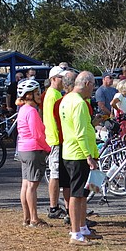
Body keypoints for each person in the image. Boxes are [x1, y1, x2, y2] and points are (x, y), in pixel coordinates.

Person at [58, 71, 100, 245]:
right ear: (88, 84)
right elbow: (81, 132)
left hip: (70, 151)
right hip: (78, 154)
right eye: (93, 86)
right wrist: (88, 156)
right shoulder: (79, 103)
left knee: (83, 193)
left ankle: (82, 228)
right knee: (77, 194)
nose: (93, 91)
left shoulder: (66, 99)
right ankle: (75, 233)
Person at [15, 79, 50, 227]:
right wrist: (48, 148)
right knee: (32, 186)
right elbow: (38, 135)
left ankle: (26, 217)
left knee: (25, 185)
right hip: (33, 149)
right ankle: (34, 219)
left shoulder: (22, 109)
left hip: (23, 149)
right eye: (37, 93)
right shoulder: (32, 111)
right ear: (29, 95)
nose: (39, 95)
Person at [43, 66, 70, 220]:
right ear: (53, 79)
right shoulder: (53, 95)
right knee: (55, 174)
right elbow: (56, 119)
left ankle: (63, 207)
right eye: (61, 78)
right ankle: (54, 207)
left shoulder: (54, 94)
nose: (63, 80)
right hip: (55, 139)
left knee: (60, 174)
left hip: (56, 138)